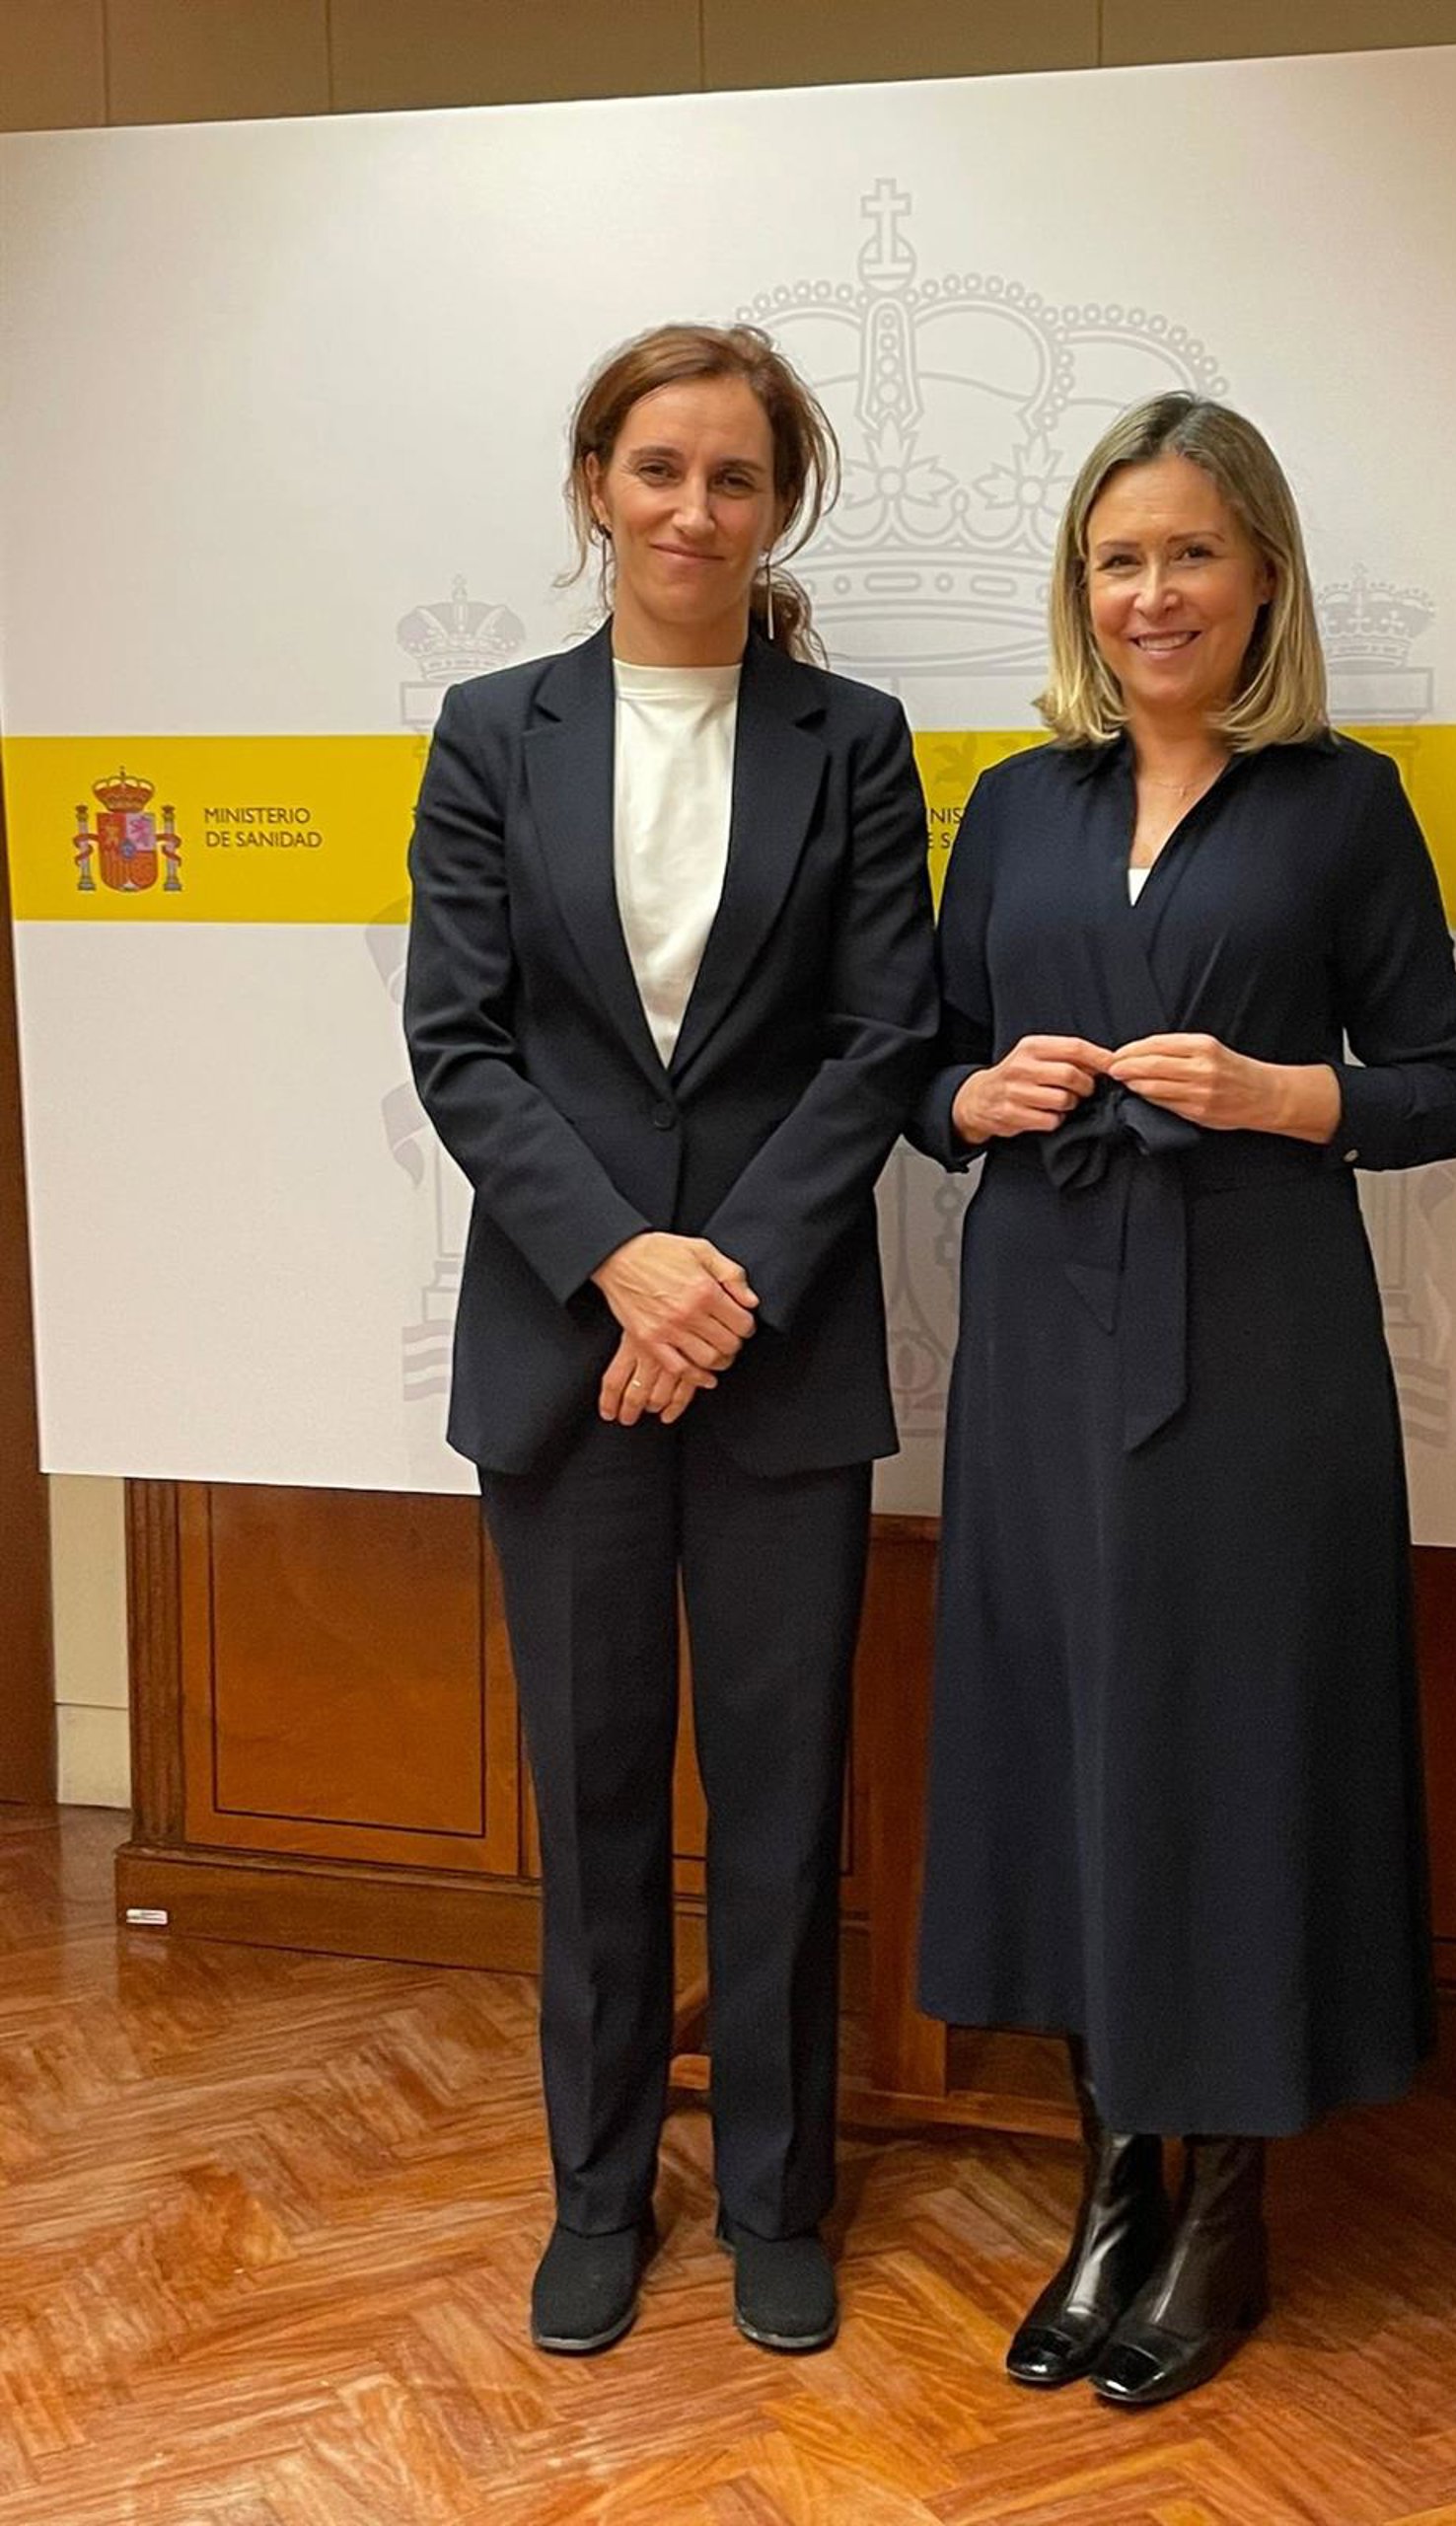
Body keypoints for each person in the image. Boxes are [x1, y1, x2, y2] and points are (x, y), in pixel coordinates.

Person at [909, 395, 1456, 2408]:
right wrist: (970, 1096)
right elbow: (925, 1062)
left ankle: (1224, 2205)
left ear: (1264, 579)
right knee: (1068, 1737)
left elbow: (1441, 1086)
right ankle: (1109, 2189)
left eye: (1190, 555)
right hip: (1043, 1332)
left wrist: (1282, 1092)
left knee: (1232, 1745)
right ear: (1082, 586)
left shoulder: (1345, 803)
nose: (1153, 594)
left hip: (1260, 1341)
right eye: (1118, 559)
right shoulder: (1013, 804)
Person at [403, 323, 936, 2361]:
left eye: (734, 476)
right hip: (566, 1354)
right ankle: (600, 2194)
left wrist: (723, 1286)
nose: (694, 510)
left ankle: (782, 2201)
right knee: (597, 1797)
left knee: (783, 1803)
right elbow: (461, 1042)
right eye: (658, 470)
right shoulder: (492, 731)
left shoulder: (854, 737)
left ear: (776, 505)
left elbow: (881, 1039)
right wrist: (627, 1266)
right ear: (594, 488)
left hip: (778, 1360)